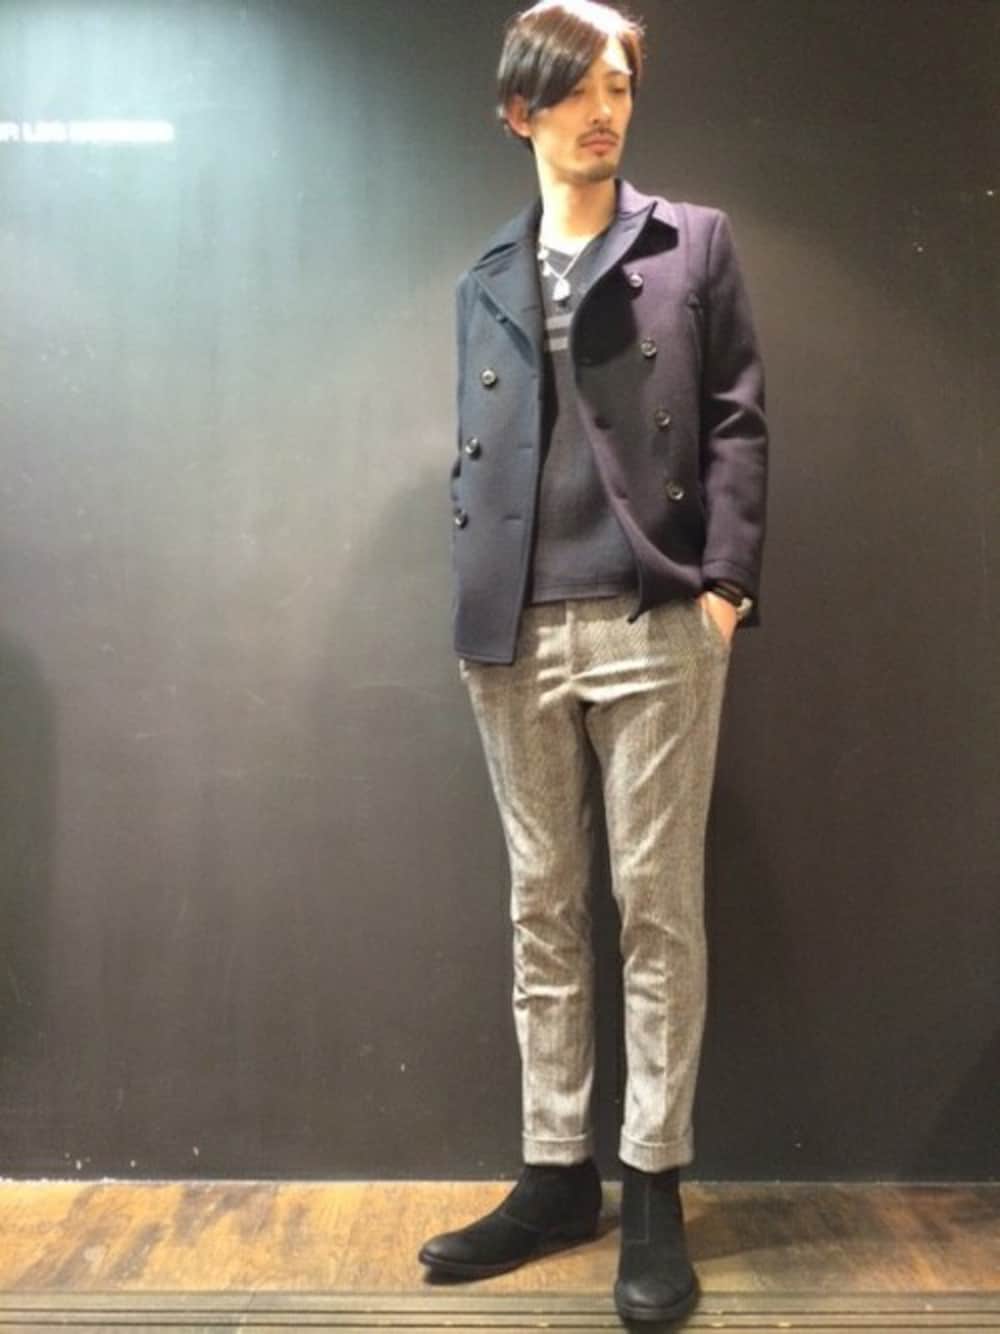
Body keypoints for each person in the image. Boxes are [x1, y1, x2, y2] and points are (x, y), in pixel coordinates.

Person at [419, 0, 768, 1322]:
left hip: (651, 619)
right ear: (521, 111)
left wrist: (723, 589)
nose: (603, 108)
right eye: (574, 89)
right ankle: (556, 1172)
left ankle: (653, 1185)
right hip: (512, 628)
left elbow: (738, 419)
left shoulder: (692, 242)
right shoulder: (486, 273)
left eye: (617, 83)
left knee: (657, 908)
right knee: (543, 907)